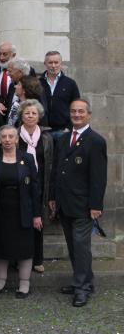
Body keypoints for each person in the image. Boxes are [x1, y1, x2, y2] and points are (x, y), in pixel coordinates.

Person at [49, 99, 107, 307]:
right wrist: (52, 198)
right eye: (73, 111)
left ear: (88, 114)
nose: (77, 115)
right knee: (74, 247)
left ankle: (82, 288)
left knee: (81, 246)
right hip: (64, 203)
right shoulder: (64, 139)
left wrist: (96, 206)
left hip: (84, 206)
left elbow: (98, 177)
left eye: (81, 112)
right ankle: (83, 281)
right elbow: (56, 171)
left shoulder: (96, 141)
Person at [0, 125, 42, 298]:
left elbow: (35, 188)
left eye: (11, 136)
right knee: (1, 244)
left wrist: (37, 214)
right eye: (4, 137)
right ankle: (0, 280)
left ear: (17, 139)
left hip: (23, 210)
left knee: (24, 246)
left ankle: (24, 283)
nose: (8, 140)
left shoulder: (27, 158)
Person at [17, 99, 54, 273]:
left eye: (33, 113)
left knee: (38, 222)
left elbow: (51, 163)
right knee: (20, 222)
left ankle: (37, 259)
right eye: (27, 113)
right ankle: (19, 259)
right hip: (19, 185)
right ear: (21, 116)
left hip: (40, 184)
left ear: (39, 116)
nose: (30, 116)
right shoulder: (14, 135)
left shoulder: (47, 138)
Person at [40, 51, 81, 138]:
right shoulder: (38, 83)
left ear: (61, 64)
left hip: (63, 131)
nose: (53, 65)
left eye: (56, 62)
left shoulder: (70, 83)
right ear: (45, 64)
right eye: (50, 62)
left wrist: (69, 127)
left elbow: (77, 107)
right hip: (42, 131)